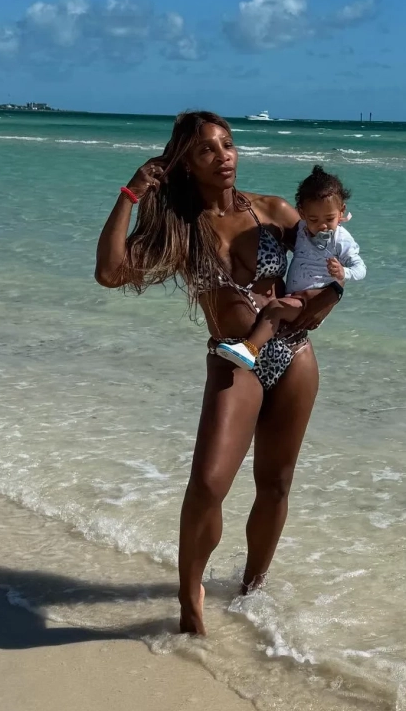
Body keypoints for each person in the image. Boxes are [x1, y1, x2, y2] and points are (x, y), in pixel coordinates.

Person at [94, 111, 341, 635]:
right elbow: (110, 273)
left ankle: (253, 590)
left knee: (276, 483)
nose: (223, 156)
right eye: (207, 149)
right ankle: (190, 600)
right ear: (186, 162)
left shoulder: (273, 211)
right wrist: (131, 194)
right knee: (207, 485)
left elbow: (330, 260)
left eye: (227, 144)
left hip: (293, 354)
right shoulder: (181, 228)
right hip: (234, 359)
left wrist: (321, 304)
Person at [215, 165, 365, 371]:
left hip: (313, 299)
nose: (322, 226)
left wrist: (342, 274)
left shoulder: (342, 239)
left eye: (329, 219)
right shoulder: (302, 229)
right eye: (314, 219)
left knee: (275, 309)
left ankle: (249, 350)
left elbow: (360, 268)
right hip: (294, 297)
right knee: (277, 308)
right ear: (301, 213)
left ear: (341, 211)